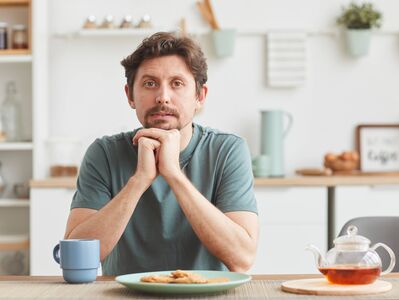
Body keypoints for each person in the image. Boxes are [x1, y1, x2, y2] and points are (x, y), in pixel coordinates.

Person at [64, 32, 259, 276]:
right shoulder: (104, 153)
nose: (163, 97)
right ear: (130, 95)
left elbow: (242, 259)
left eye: (177, 84)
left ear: (200, 96)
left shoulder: (227, 151)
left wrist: (173, 174)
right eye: (149, 83)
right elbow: (75, 257)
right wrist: (139, 180)